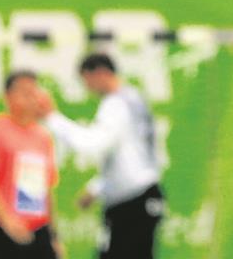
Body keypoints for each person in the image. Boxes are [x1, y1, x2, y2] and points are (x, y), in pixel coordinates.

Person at [36, 53, 164, 259]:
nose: (87, 88)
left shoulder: (116, 104)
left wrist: (52, 117)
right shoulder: (134, 98)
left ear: (101, 74)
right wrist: (98, 187)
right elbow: (128, 155)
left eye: (87, 80)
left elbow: (93, 144)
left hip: (132, 201)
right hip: (141, 196)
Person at [0, 70, 61, 259]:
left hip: (37, 225)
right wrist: (7, 221)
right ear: (8, 96)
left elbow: (46, 188)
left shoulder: (42, 136)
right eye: (24, 92)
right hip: (2, 227)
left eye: (34, 92)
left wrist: (53, 235)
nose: (31, 98)